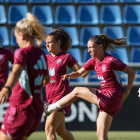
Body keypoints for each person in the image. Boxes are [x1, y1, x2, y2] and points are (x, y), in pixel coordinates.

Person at [44, 34, 135, 140]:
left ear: (100, 47)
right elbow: (79, 73)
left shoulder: (111, 60)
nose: (88, 50)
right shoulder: (93, 61)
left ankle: (51, 108)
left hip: (111, 97)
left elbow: (131, 72)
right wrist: (69, 75)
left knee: (77, 90)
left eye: (91, 47)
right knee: (101, 136)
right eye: (88, 48)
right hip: (108, 101)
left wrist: (127, 92)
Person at [0, 12, 50, 140]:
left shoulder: (21, 52)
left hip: (20, 108)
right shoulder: (41, 54)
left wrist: (6, 88)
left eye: (16, 37)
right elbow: (47, 79)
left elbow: (16, 72)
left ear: (21, 35)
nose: (16, 40)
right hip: (36, 111)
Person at [44, 28, 88, 140]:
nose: (47, 44)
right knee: (60, 131)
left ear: (58, 43)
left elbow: (83, 73)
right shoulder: (45, 58)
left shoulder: (66, 57)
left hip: (62, 96)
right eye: (46, 42)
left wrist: (71, 75)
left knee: (49, 128)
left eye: (49, 42)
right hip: (50, 97)